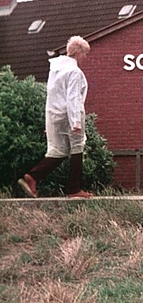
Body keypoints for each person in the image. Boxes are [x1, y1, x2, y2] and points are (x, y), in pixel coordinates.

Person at [18, 36, 93, 199]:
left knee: (59, 150)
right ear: (79, 53)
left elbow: (52, 96)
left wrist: (50, 124)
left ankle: (33, 176)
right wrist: (75, 122)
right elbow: (73, 98)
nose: (85, 58)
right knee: (78, 146)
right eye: (85, 54)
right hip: (70, 116)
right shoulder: (74, 72)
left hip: (54, 115)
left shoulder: (56, 70)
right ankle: (74, 189)